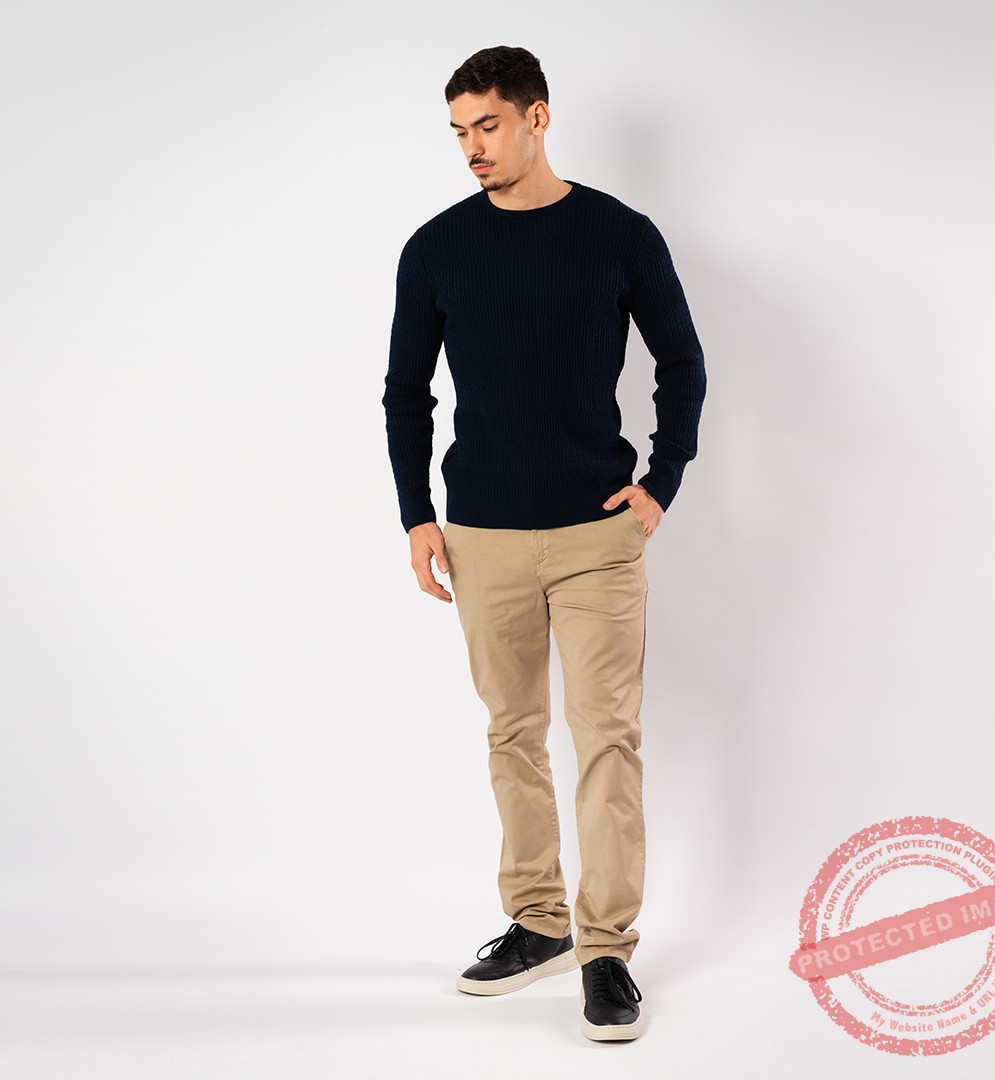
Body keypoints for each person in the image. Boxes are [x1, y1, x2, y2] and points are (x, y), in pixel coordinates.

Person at [382, 45, 706, 1042]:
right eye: (459, 132)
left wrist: (659, 485)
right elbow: (405, 393)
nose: (472, 148)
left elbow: (684, 365)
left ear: (537, 117)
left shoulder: (619, 235)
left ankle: (606, 950)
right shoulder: (435, 248)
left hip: (597, 533)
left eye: (487, 125)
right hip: (480, 533)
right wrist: (417, 515)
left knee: (607, 735)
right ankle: (539, 922)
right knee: (512, 731)